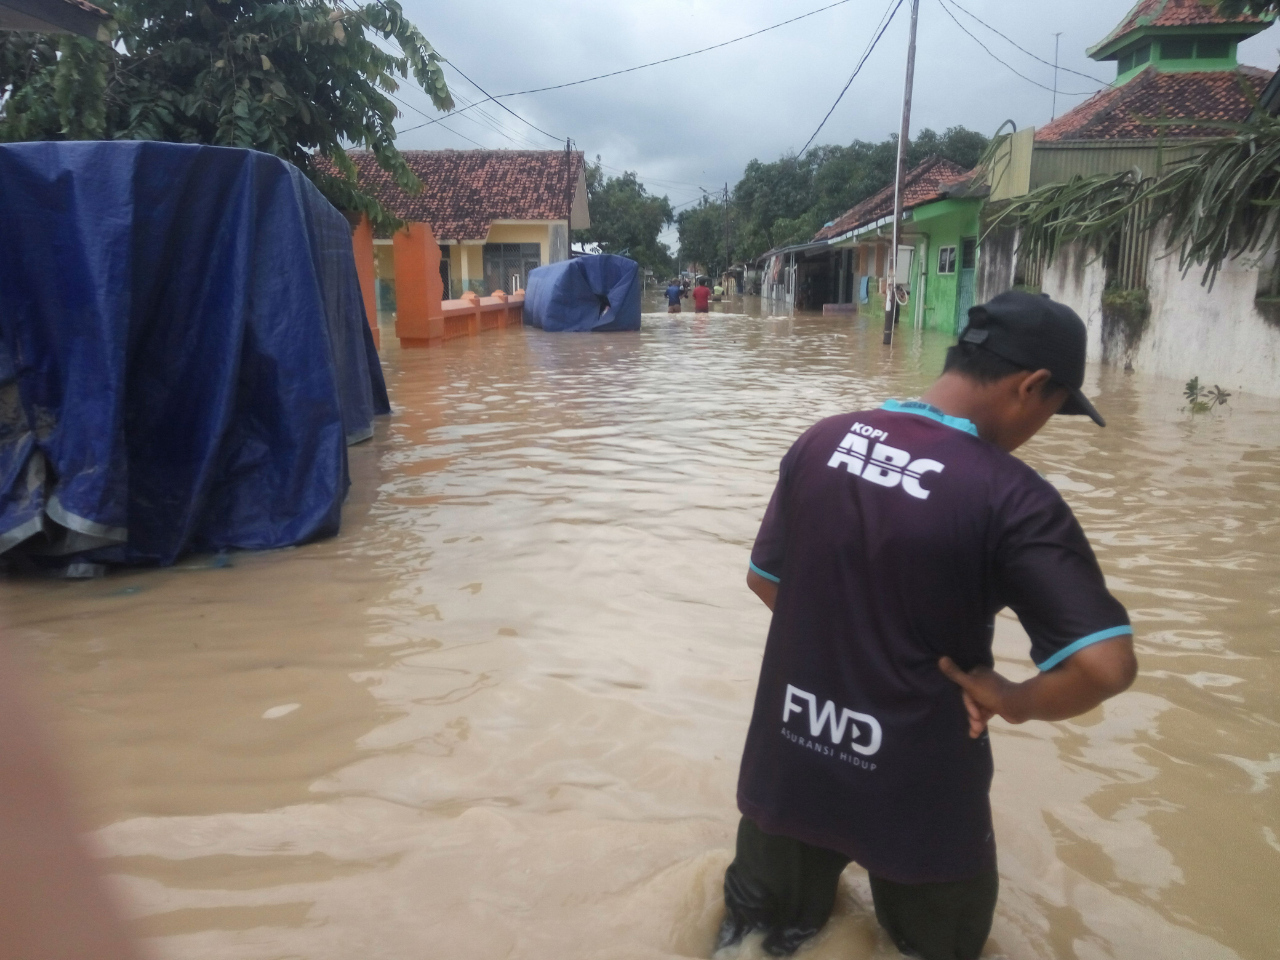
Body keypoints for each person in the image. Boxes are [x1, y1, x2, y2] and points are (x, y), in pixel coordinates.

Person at [720, 291, 1138, 960]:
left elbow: (765, 580)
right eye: (1055, 410)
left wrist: (853, 636)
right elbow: (1104, 667)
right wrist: (1009, 699)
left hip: (792, 764)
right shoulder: (1012, 497)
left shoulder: (822, 441)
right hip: (921, 794)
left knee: (756, 942)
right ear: (1032, 386)